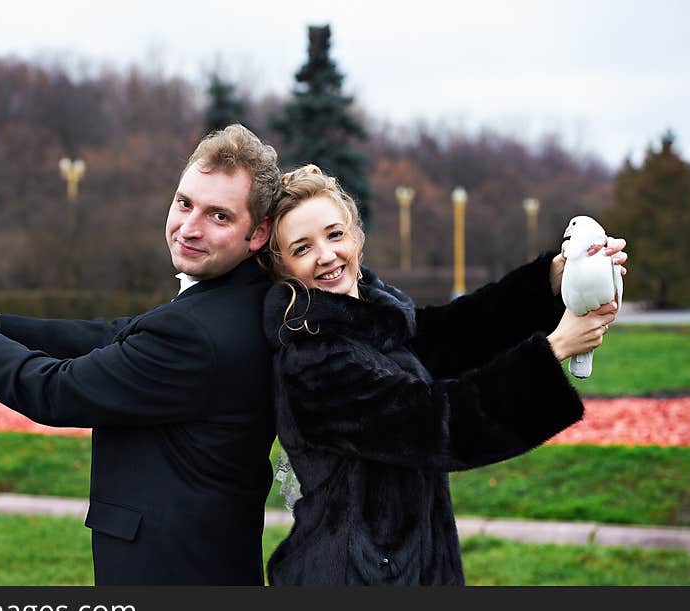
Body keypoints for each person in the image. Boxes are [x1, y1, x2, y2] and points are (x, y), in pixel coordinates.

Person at [0, 124, 281, 585]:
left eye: (219, 216)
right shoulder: (237, 299)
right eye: (184, 203)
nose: (189, 228)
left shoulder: (199, 332)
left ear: (257, 233)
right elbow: (116, 337)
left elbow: (56, 391)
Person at [259, 164, 627, 586]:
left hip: (405, 569)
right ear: (283, 268)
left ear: (356, 236)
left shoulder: (373, 322)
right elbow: (434, 422)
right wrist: (554, 348)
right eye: (302, 248)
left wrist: (552, 278)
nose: (326, 255)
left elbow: (456, 332)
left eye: (334, 234)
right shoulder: (313, 361)